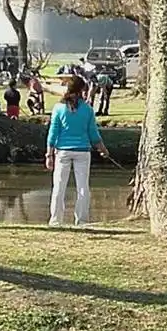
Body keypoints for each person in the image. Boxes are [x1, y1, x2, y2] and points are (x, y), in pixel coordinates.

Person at [46, 74, 111, 226]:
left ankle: (56, 220)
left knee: (59, 186)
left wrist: (49, 154)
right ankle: (81, 220)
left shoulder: (58, 108)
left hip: (62, 151)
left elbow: (53, 133)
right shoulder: (87, 109)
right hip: (82, 151)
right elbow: (93, 134)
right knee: (83, 187)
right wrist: (103, 149)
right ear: (82, 90)